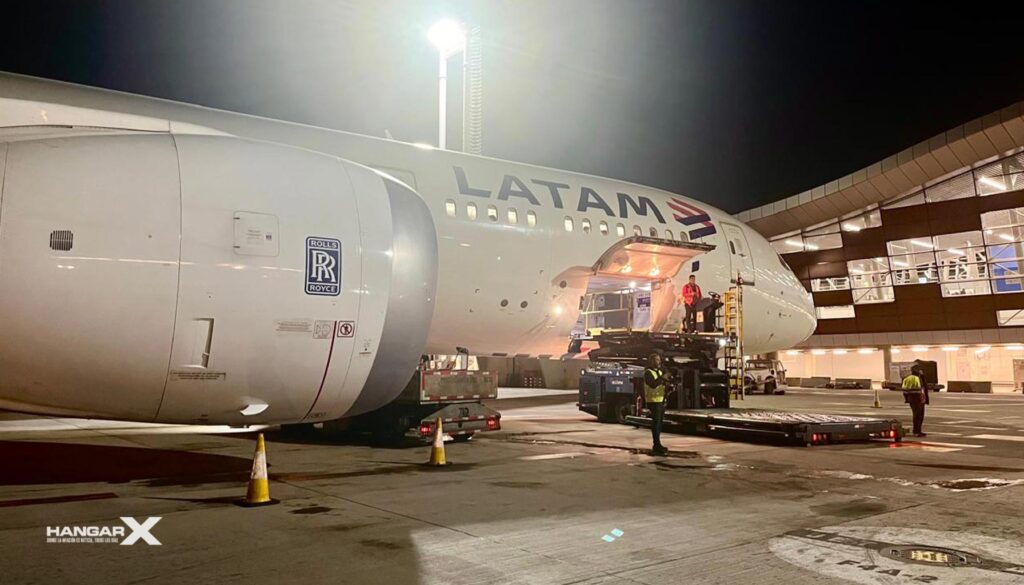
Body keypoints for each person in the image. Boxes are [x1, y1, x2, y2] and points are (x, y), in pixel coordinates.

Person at [644, 353, 669, 455]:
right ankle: (656, 445)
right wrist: (663, 378)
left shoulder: (659, 371)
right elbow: (653, 385)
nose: (659, 362)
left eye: (659, 360)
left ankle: (658, 444)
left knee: (659, 424)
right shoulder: (648, 373)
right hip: (653, 401)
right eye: (657, 360)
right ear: (652, 361)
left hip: (660, 400)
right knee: (656, 424)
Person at [902, 365, 928, 437]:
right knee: (917, 416)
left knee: (920, 416)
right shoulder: (914, 378)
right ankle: (916, 431)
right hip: (916, 399)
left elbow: (905, 391)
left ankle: (918, 430)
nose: (922, 371)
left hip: (920, 399)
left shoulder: (919, 377)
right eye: (920, 370)